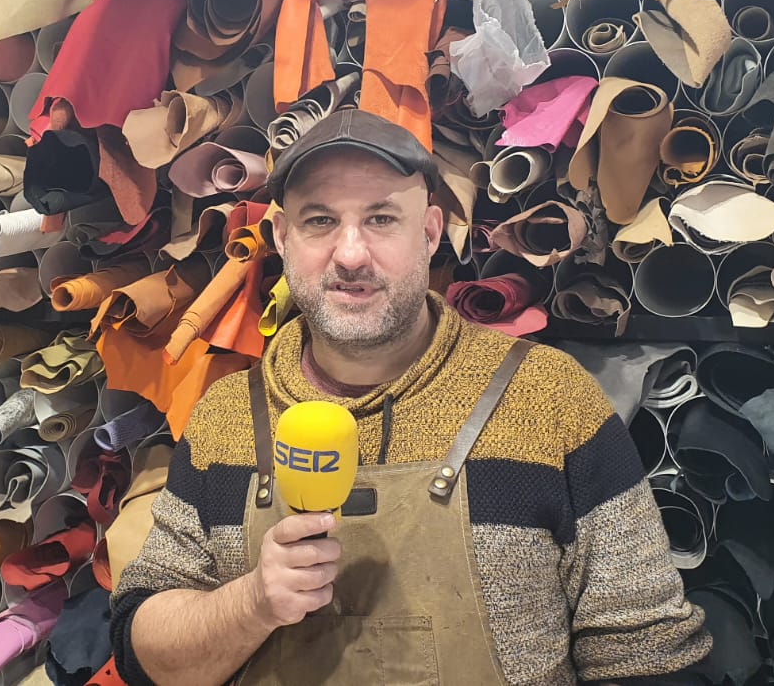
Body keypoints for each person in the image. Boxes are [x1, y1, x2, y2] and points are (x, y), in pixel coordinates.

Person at [109, 109, 709, 685]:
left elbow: (646, 654)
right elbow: (147, 654)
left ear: (428, 234)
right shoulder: (226, 418)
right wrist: (252, 603)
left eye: (381, 219)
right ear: (282, 240)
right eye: (319, 221)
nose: (350, 255)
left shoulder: (550, 400)